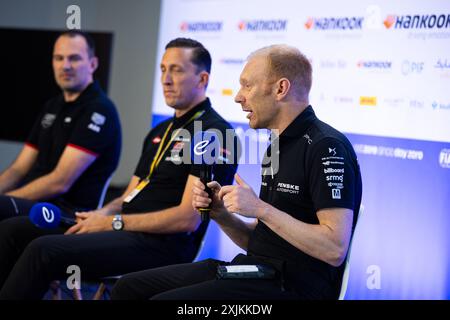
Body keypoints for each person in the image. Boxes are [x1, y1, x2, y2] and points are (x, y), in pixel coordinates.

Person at [111, 44, 363, 300]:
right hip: (254, 272)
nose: (238, 96)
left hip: (291, 288)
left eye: (247, 85)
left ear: (280, 89)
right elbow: (261, 243)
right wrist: (220, 214)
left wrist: (261, 208)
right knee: (129, 288)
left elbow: (334, 248)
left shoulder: (326, 147)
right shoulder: (278, 145)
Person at [0, 38, 238, 300]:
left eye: (177, 70)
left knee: (42, 250)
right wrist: (98, 216)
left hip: (162, 245)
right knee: (13, 231)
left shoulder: (214, 133)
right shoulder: (161, 131)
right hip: (123, 229)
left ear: (202, 79)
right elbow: (129, 194)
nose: (166, 79)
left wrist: (112, 222)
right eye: (163, 69)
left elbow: (186, 220)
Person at [0, 30, 122, 221]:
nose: (65, 66)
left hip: (66, 213)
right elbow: (18, 168)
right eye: (59, 58)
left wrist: (7, 201)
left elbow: (60, 182)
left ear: (93, 64)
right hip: (34, 204)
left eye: (74, 58)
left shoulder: (99, 110)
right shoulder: (52, 106)